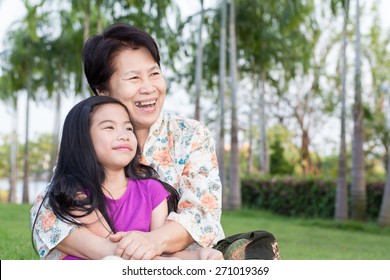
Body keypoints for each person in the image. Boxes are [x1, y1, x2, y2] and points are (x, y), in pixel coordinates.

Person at [30, 23, 279, 260]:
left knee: (253, 251)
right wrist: (115, 253)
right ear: (102, 90)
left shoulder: (190, 134)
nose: (149, 87)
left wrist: (153, 243)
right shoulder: (88, 136)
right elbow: (48, 214)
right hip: (111, 260)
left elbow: (202, 215)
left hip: (181, 259)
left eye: (154, 74)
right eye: (134, 78)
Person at [31, 95, 223, 260]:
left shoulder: (152, 191)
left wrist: (201, 257)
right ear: (82, 140)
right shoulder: (76, 194)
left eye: (128, 128)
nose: (123, 135)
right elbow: (118, 254)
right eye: (109, 128)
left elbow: (158, 256)